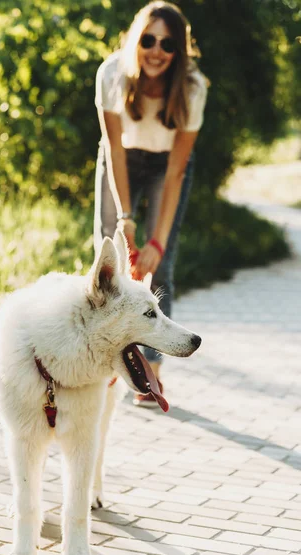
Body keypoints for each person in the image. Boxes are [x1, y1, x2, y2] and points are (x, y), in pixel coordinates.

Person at [93, 1, 208, 407]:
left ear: (179, 49)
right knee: (108, 258)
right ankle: (102, 361)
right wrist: (125, 219)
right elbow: (115, 151)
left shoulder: (193, 87)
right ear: (136, 40)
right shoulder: (111, 74)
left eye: (167, 43)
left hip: (167, 166)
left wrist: (156, 241)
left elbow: (176, 171)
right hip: (121, 157)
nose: (156, 50)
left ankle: (150, 371)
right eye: (148, 39)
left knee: (162, 264)